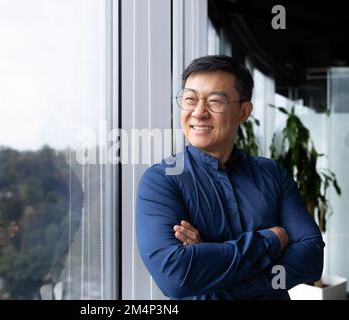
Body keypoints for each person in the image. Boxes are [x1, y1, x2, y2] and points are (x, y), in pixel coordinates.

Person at [135, 55, 324, 300]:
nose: (198, 112)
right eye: (190, 99)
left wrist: (210, 265)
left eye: (215, 101)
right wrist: (271, 240)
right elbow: (177, 277)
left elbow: (311, 258)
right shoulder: (161, 181)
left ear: (243, 111)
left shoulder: (273, 174)